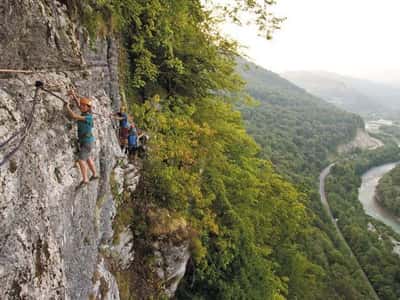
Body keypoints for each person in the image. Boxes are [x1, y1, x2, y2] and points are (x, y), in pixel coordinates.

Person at [66, 90, 98, 185]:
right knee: (88, 158)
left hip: (87, 142)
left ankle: (85, 179)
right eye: (82, 105)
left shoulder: (88, 117)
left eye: (84, 106)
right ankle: (95, 174)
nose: (82, 107)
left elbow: (74, 116)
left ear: (88, 108)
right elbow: (78, 104)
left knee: (81, 160)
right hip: (87, 141)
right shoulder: (85, 113)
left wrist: (67, 107)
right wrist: (74, 95)